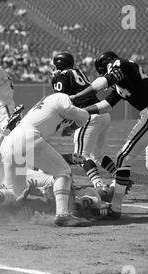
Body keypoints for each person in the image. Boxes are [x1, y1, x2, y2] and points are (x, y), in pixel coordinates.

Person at [69, 51, 148, 217]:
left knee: (123, 157)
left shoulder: (118, 64)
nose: (103, 74)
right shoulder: (123, 80)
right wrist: (81, 111)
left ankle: (115, 208)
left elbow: (103, 82)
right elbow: (105, 106)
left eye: (102, 71)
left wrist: (77, 96)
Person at [0, 93, 92, 227]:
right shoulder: (62, 96)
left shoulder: (47, 106)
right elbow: (75, 112)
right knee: (63, 171)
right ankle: (63, 215)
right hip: (27, 138)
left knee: (15, 195)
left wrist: (71, 128)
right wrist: (86, 114)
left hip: (9, 143)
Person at [51, 52, 115, 190]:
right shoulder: (77, 72)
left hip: (88, 114)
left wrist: (60, 123)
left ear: (59, 64)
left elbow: (61, 101)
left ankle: (99, 186)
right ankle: (121, 178)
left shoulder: (62, 76)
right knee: (96, 156)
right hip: (101, 113)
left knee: (81, 156)